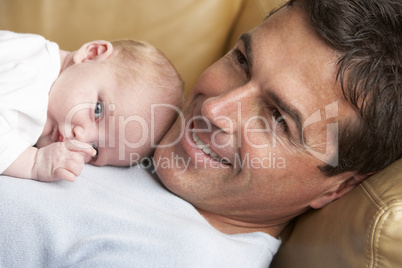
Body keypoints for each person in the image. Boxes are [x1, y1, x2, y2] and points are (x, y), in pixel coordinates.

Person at [0, 0, 400, 266]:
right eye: (242, 61)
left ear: (338, 188)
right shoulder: (135, 110)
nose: (213, 108)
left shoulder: (179, 256)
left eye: (278, 119)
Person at [0, 30, 184, 182]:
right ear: (92, 54)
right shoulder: (31, 84)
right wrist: (33, 163)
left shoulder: (36, 52)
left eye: (95, 150)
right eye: (98, 110)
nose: (81, 137)